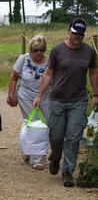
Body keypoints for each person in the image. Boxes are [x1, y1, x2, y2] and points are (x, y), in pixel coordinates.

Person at [34, 18, 98, 187]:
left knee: (73, 137)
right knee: (56, 135)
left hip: (78, 100)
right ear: (69, 30)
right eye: (75, 32)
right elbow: (48, 74)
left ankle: (68, 171)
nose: (78, 36)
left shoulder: (89, 52)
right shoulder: (57, 50)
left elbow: (93, 73)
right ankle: (55, 156)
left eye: (81, 34)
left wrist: (96, 94)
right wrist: (40, 94)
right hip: (58, 99)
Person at [8, 34, 50, 170]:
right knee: (35, 124)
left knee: (45, 124)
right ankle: (37, 158)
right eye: (35, 50)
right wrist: (11, 95)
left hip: (44, 97)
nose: (38, 53)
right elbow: (14, 78)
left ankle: (27, 150)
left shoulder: (49, 61)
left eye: (41, 50)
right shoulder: (23, 59)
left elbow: (53, 81)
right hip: (26, 97)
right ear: (30, 50)